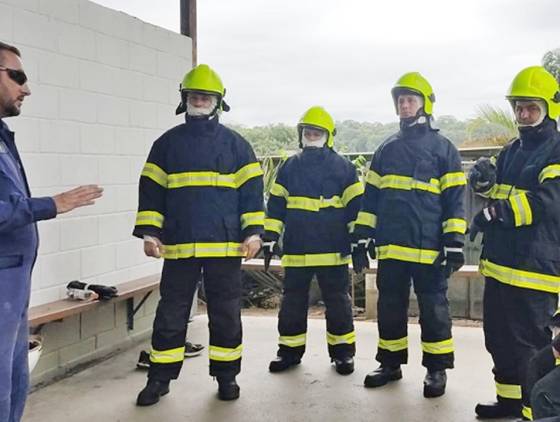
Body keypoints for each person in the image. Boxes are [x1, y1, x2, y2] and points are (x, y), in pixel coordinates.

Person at [133, 64, 263, 405]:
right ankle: (159, 379)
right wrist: (149, 232)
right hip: (177, 248)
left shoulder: (237, 146)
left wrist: (254, 234)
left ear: (218, 102)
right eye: (194, 96)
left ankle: (227, 377)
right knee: (171, 314)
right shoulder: (166, 145)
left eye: (206, 96)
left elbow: (252, 195)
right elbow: (151, 193)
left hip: (225, 248)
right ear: (184, 100)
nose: (200, 101)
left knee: (226, 314)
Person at [0, 41, 103, 422]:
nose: (26, 89)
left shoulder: (3, 136)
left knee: (12, 385)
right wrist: (51, 204)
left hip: (14, 285)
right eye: (18, 77)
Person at [353, 72, 466, 398]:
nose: (404, 106)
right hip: (391, 248)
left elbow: (455, 202)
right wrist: (362, 236)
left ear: (425, 104)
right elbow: (370, 198)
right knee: (389, 306)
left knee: (434, 310)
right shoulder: (386, 149)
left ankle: (436, 368)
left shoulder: (444, 149)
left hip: (430, 249)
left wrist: (454, 242)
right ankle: (390, 363)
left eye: (410, 100)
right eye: (400, 101)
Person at [469, 66, 560, 420]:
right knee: (499, 340)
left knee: (531, 348)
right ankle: (508, 402)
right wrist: (483, 182)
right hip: (502, 265)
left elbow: (547, 202)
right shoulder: (512, 149)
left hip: (534, 270)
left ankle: (533, 412)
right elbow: (499, 192)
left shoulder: (556, 149)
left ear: (549, 109)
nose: (523, 115)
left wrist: (494, 214)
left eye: (531, 108)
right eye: (519, 107)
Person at [263, 106, 362, 375]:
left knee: (338, 303)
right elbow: (276, 207)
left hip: (333, 251)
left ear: (328, 136)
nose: (311, 135)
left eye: (316, 132)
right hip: (297, 250)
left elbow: (356, 208)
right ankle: (289, 352)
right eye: (307, 131)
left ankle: (343, 355)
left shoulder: (344, 168)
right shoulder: (289, 168)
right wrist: (270, 237)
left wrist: (359, 240)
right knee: (292, 303)